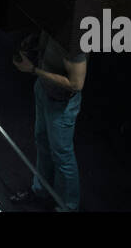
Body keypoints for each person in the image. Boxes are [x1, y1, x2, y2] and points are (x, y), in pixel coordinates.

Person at [12, 29, 86, 211]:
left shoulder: (76, 40)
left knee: (62, 155)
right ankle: (40, 191)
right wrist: (35, 40)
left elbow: (76, 84)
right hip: (43, 90)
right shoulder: (53, 19)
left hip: (61, 104)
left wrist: (34, 70)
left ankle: (68, 207)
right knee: (42, 142)